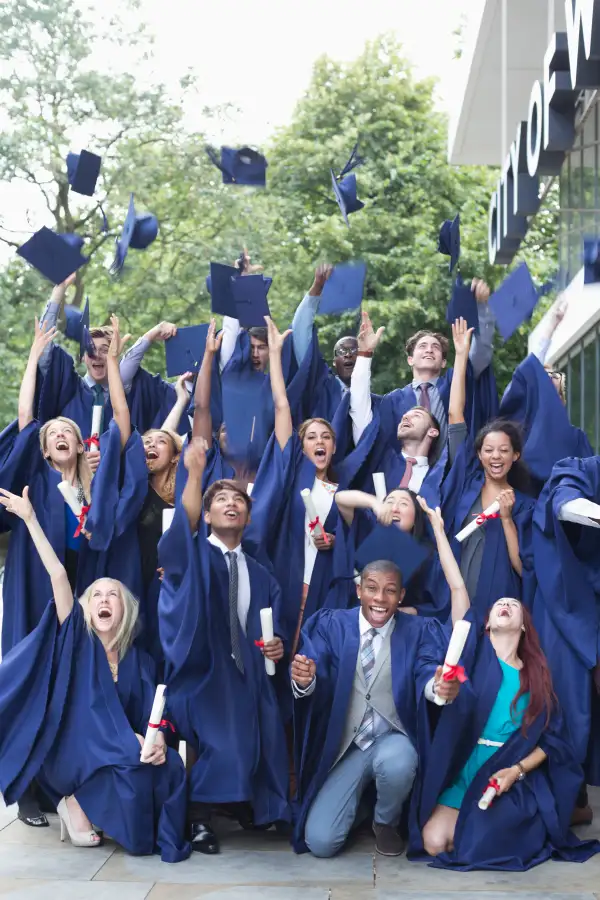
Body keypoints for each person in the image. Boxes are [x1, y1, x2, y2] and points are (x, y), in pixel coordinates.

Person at [0, 486, 190, 862]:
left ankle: (98, 803)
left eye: (113, 595)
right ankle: (73, 799)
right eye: (96, 596)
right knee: (130, 773)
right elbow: (57, 573)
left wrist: (158, 741)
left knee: (168, 768)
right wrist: (30, 519)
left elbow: (157, 719)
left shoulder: (141, 663)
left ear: (126, 609)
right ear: (86, 609)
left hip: (120, 749)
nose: (104, 600)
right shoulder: (77, 642)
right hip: (76, 750)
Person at [409, 497, 600, 870]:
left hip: (508, 771)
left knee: (472, 846)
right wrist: (436, 527)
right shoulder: (475, 654)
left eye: (514, 604)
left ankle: (531, 821)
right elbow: (456, 583)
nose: (506, 604)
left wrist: (517, 771)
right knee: (434, 843)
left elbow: (552, 740)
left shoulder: (537, 675)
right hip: (466, 766)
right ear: (486, 622)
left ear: (525, 625)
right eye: (499, 604)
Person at [158, 438, 290, 855]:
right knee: (228, 729)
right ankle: (198, 814)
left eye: (239, 500)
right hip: (203, 673)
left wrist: (276, 648)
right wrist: (195, 474)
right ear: (208, 514)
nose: (231, 504)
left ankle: (248, 804)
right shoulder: (192, 555)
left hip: (249, 672)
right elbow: (183, 530)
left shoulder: (260, 572)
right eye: (221, 500)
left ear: (248, 517)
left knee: (269, 722)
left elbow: (273, 628)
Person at [290, 546, 460, 858]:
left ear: (401, 595)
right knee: (321, 843)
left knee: (398, 760)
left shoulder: (418, 631)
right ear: (359, 590)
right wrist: (305, 678)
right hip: (349, 747)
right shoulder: (331, 625)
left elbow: (426, 671)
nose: (380, 599)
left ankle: (385, 821)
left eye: (390, 591)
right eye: (372, 588)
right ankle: (364, 804)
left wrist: (437, 688)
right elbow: (316, 663)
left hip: (392, 741)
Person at [245, 316, 357, 655]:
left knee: (314, 664)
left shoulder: (346, 494)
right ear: (301, 446)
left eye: (326, 437)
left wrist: (336, 541)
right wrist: (276, 357)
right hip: (287, 580)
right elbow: (282, 406)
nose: (319, 441)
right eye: (311, 437)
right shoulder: (294, 474)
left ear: (335, 447)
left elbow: (354, 546)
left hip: (325, 588)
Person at [531, 456, 600, 826]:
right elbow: (565, 504)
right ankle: (568, 797)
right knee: (570, 707)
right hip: (572, 605)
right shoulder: (580, 467)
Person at [350, 279, 497, 452]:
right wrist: (364, 354)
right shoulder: (392, 401)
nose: (429, 350)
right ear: (410, 360)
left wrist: (483, 308)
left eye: (435, 347)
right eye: (422, 346)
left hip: (451, 474)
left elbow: (481, 352)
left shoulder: (456, 383)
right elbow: (360, 409)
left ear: (443, 362)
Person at [37, 274, 182, 441]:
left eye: (104, 350)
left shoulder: (122, 390)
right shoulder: (69, 389)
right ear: (83, 357)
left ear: (114, 353)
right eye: (91, 350)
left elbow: (126, 368)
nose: (97, 356)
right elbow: (43, 347)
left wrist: (151, 335)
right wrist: (58, 292)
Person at [440, 366, 535, 615]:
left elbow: (522, 567)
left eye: (504, 450)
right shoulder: (464, 484)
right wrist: (460, 357)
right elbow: (454, 415)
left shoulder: (525, 505)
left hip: (497, 606)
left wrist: (506, 519)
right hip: (454, 598)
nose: (496, 456)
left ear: (515, 455)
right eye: (489, 450)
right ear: (479, 454)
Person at [499, 352, 591, 496]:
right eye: (543, 376)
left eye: (554, 376)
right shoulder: (515, 435)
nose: (547, 379)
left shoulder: (577, 438)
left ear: (561, 401)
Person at [290, 264, 362, 421]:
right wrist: (317, 287)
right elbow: (300, 334)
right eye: (342, 352)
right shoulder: (322, 388)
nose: (349, 355)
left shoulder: (377, 403)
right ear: (334, 362)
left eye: (355, 351)